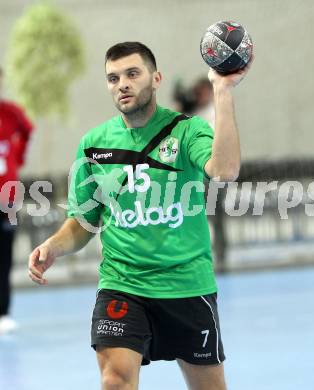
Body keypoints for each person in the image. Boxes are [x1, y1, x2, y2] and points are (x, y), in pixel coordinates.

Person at [28, 42, 253, 389]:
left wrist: (221, 90)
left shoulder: (186, 131)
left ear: (156, 78)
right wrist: (54, 246)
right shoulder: (94, 145)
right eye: (113, 78)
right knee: (115, 380)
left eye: (133, 74)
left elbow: (225, 169)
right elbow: (85, 221)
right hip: (123, 284)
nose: (123, 84)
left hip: (186, 285)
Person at [0, 66, 34, 334]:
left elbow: (27, 130)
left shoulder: (9, 112)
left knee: (4, 257)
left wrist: (17, 158)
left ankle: (3, 311)